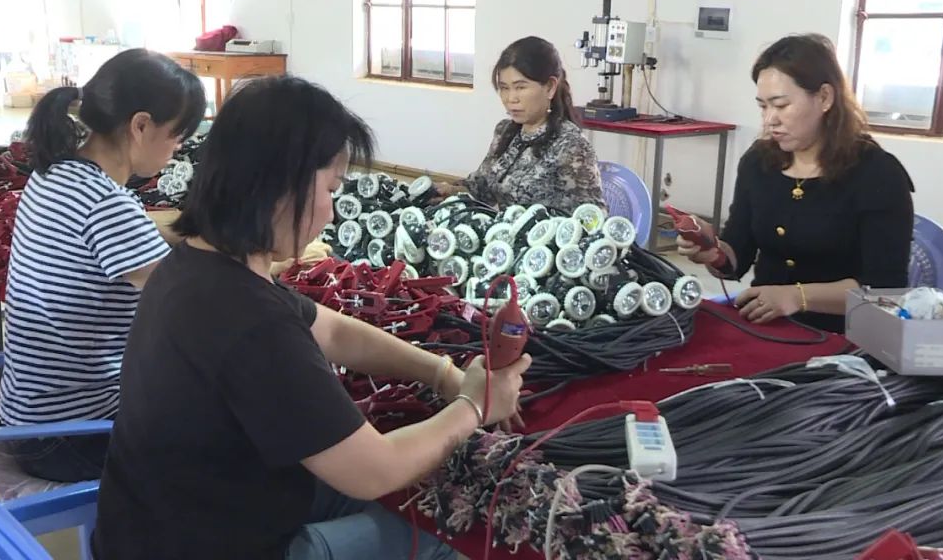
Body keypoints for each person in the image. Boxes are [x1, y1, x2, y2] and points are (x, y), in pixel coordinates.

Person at [92, 75, 529, 560]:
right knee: (445, 539)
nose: (332, 213)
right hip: (204, 544)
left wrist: (442, 374)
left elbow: (334, 330)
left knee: (403, 496)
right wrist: (474, 407)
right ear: (282, 185)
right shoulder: (250, 323)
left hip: (150, 524)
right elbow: (375, 470)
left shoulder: (194, 266)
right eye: (330, 189)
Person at [0, 48, 207, 482]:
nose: (178, 149)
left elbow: (131, 237)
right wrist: (265, 265)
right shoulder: (107, 205)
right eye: (177, 135)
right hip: (73, 436)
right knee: (232, 441)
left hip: (28, 417)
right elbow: (189, 298)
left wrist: (192, 233)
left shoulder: (55, 174)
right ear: (141, 125)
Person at [678, 33, 914, 333]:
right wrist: (713, 251)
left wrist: (797, 297)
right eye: (763, 107)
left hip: (843, 335)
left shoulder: (877, 174)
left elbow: (884, 290)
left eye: (781, 105)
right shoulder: (759, 163)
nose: (770, 120)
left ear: (825, 98)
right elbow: (737, 258)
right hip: (765, 325)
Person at [435, 36, 606, 213]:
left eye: (520, 87)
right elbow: (482, 189)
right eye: (504, 88)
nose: (511, 98)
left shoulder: (571, 146)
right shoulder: (505, 132)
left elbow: (593, 217)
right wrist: (449, 191)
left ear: (550, 87)